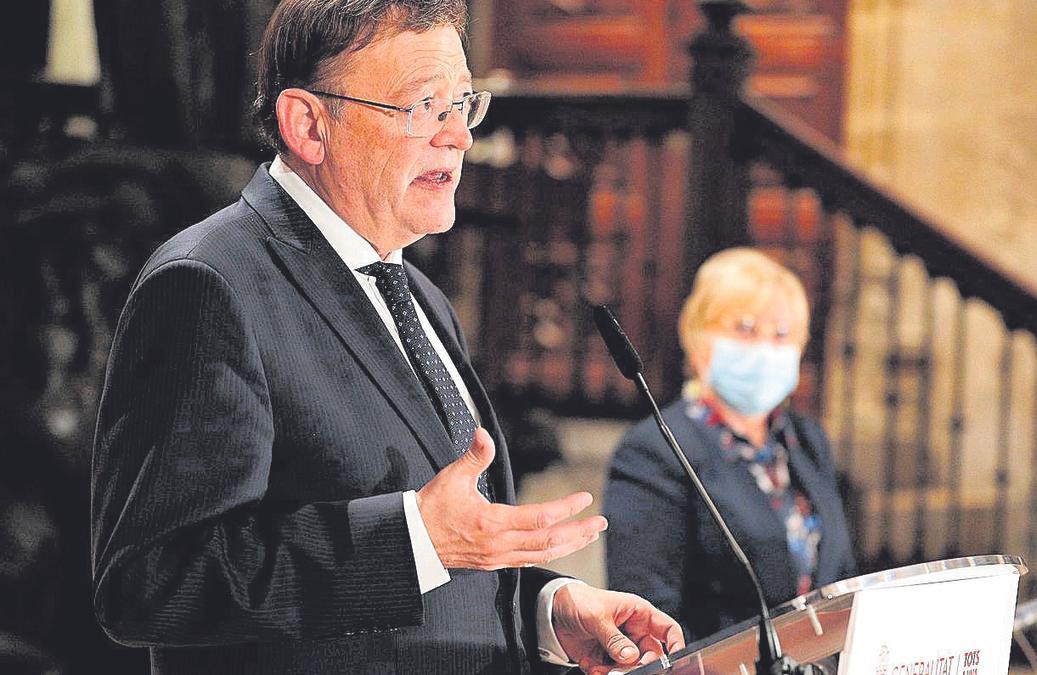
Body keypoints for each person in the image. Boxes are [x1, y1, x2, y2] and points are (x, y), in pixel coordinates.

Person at [89, 1, 683, 673]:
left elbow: (442, 554)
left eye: (463, 103)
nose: (458, 136)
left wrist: (547, 609)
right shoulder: (208, 286)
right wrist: (413, 539)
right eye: (424, 106)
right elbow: (152, 583)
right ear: (309, 125)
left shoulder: (417, 296)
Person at [604, 247, 857, 641]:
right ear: (698, 335)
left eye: (781, 334)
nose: (764, 348)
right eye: (744, 328)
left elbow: (840, 575)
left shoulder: (806, 440)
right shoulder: (655, 450)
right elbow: (647, 612)